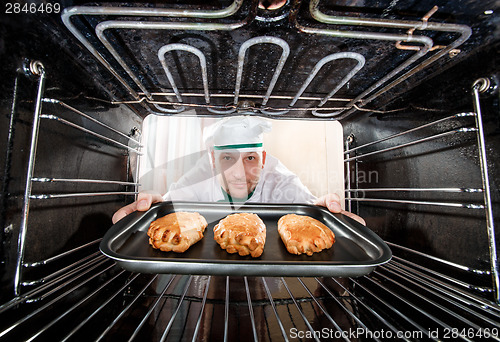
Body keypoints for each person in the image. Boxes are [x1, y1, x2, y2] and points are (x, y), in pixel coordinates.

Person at [112, 116, 365, 225]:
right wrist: (149, 208)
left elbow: (310, 208)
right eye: (228, 158)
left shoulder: (279, 178)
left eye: (250, 158)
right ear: (213, 160)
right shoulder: (201, 175)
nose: (239, 172)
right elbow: (169, 206)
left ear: (263, 158)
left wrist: (328, 212)